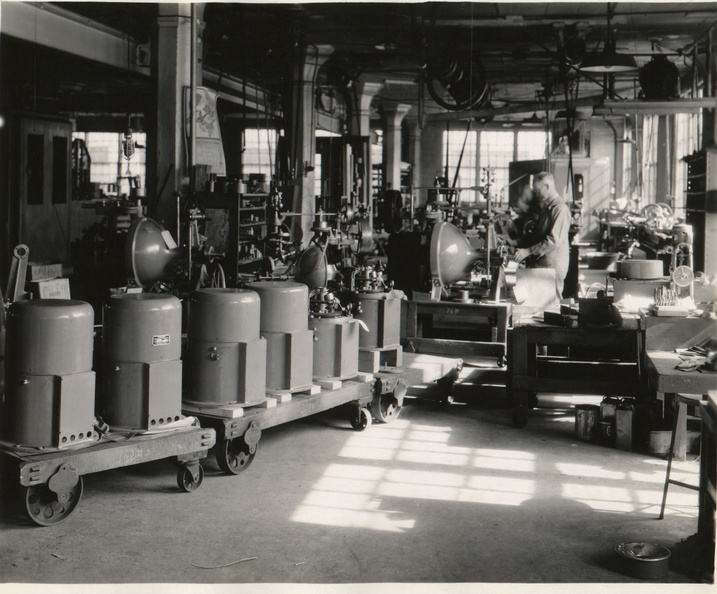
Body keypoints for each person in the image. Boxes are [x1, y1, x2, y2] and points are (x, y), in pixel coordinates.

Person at [513, 171, 571, 298]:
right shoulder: (548, 208)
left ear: (547, 187)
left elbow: (553, 241)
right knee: (540, 304)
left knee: (551, 305)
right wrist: (516, 243)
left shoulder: (559, 209)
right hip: (544, 265)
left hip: (552, 266)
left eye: (538, 190)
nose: (536, 194)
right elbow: (538, 236)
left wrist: (527, 251)